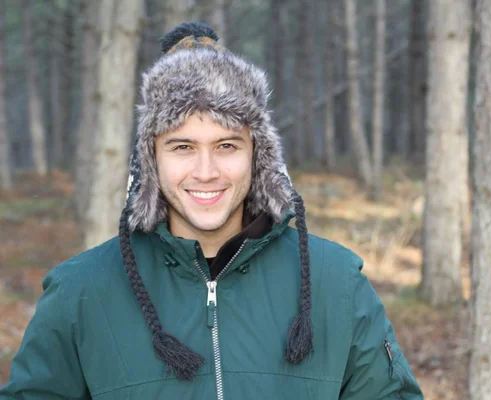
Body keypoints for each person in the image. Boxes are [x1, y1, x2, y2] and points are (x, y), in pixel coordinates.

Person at [0, 22, 423, 399]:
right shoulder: (81, 292)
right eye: (182, 147)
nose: (206, 172)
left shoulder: (335, 283)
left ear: (258, 155)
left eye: (226, 146)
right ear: (150, 158)